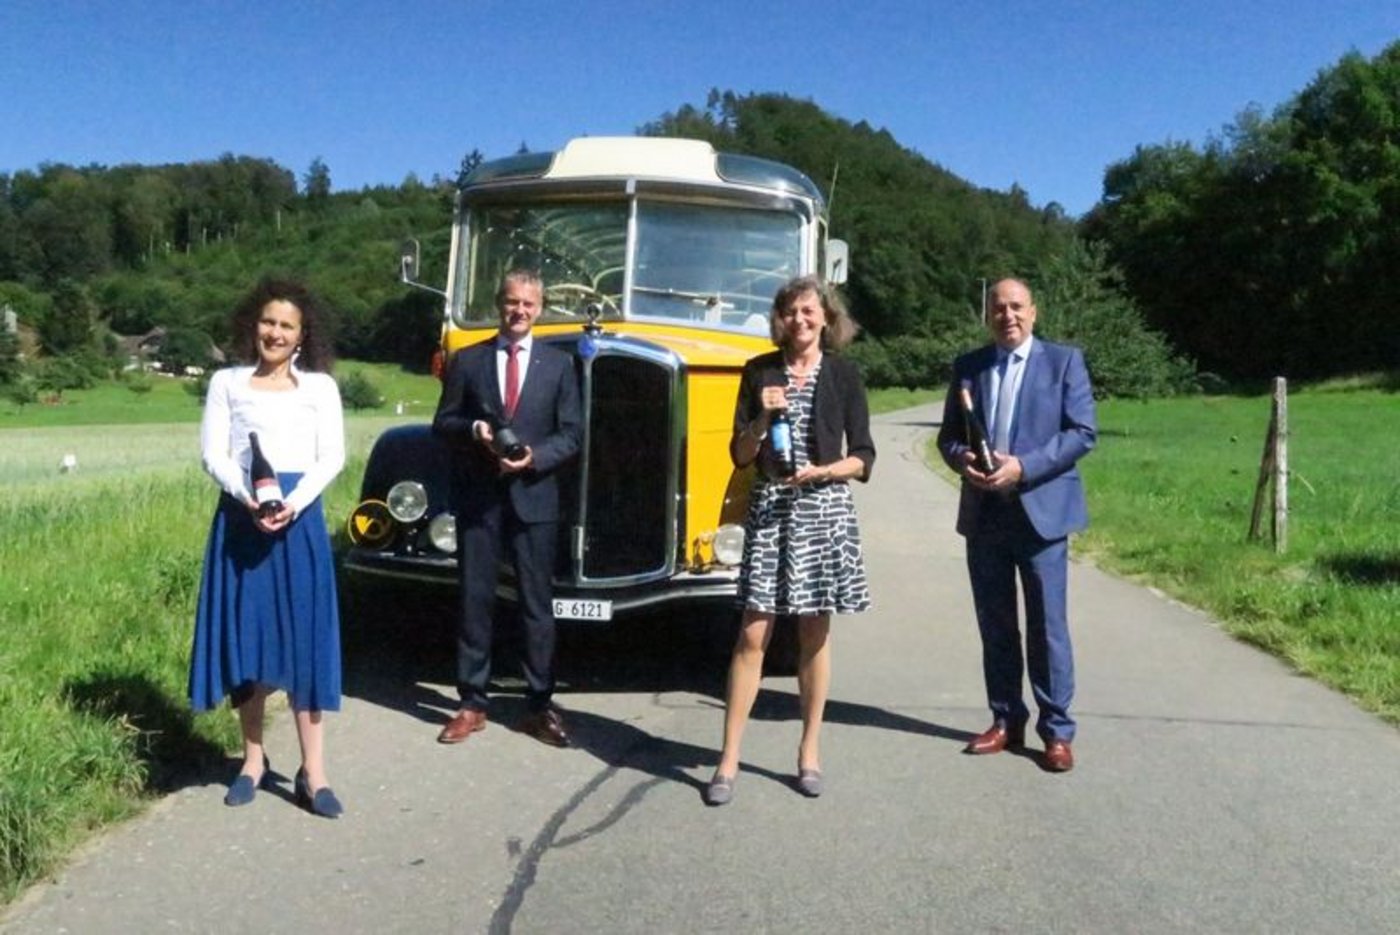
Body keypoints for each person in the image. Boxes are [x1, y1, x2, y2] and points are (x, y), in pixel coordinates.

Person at [707, 275, 875, 805]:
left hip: (823, 511)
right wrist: (761, 416)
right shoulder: (759, 371)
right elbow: (739, 454)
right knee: (753, 635)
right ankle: (727, 761)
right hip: (771, 511)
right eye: (790, 312)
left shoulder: (845, 375)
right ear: (780, 319)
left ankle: (808, 752)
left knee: (813, 634)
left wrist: (827, 471)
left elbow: (865, 457)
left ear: (826, 318)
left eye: (808, 311)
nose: (799, 321)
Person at [189, 278, 347, 817]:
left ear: (303, 335)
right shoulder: (226, 383)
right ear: (252, 326)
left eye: (286, 325)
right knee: (249, 643)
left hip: (299, 523)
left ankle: (314, 772)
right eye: (268, 322)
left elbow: (333, 458)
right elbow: (214, 453)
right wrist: (251, 500)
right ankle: (252, 761)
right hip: (242, 521)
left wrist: (292, 504)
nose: (275, 333)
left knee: (305, 642)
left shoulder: (320, 388)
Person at [936, 278, 1096, 772]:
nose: (1007, 315)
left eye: (1016, 307)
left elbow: (1082, 433)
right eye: (998, 308)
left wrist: (1023, 466)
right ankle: (1006, 720)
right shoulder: (969, 367)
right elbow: (948, 438)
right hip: (985, 516)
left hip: (1041, 515)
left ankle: (1057, 730)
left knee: (1048, 626)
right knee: (996, 624)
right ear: (989, 315)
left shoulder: (1064, 362)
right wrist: (964, 460)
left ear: (1034, 312)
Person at [432, 269, 582, 747]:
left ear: (540, 310)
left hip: (535, 497)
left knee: (537, 605)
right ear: (500, 304)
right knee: (475, 600)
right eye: (511, 302)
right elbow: (443, 422)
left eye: (528, 304)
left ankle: (538, 705)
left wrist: (536, 457)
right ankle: (472, 702)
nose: (519, 311)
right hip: (480, 498)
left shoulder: (559, 366)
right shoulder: (469, 360)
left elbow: (573, 433)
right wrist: (473, 430)